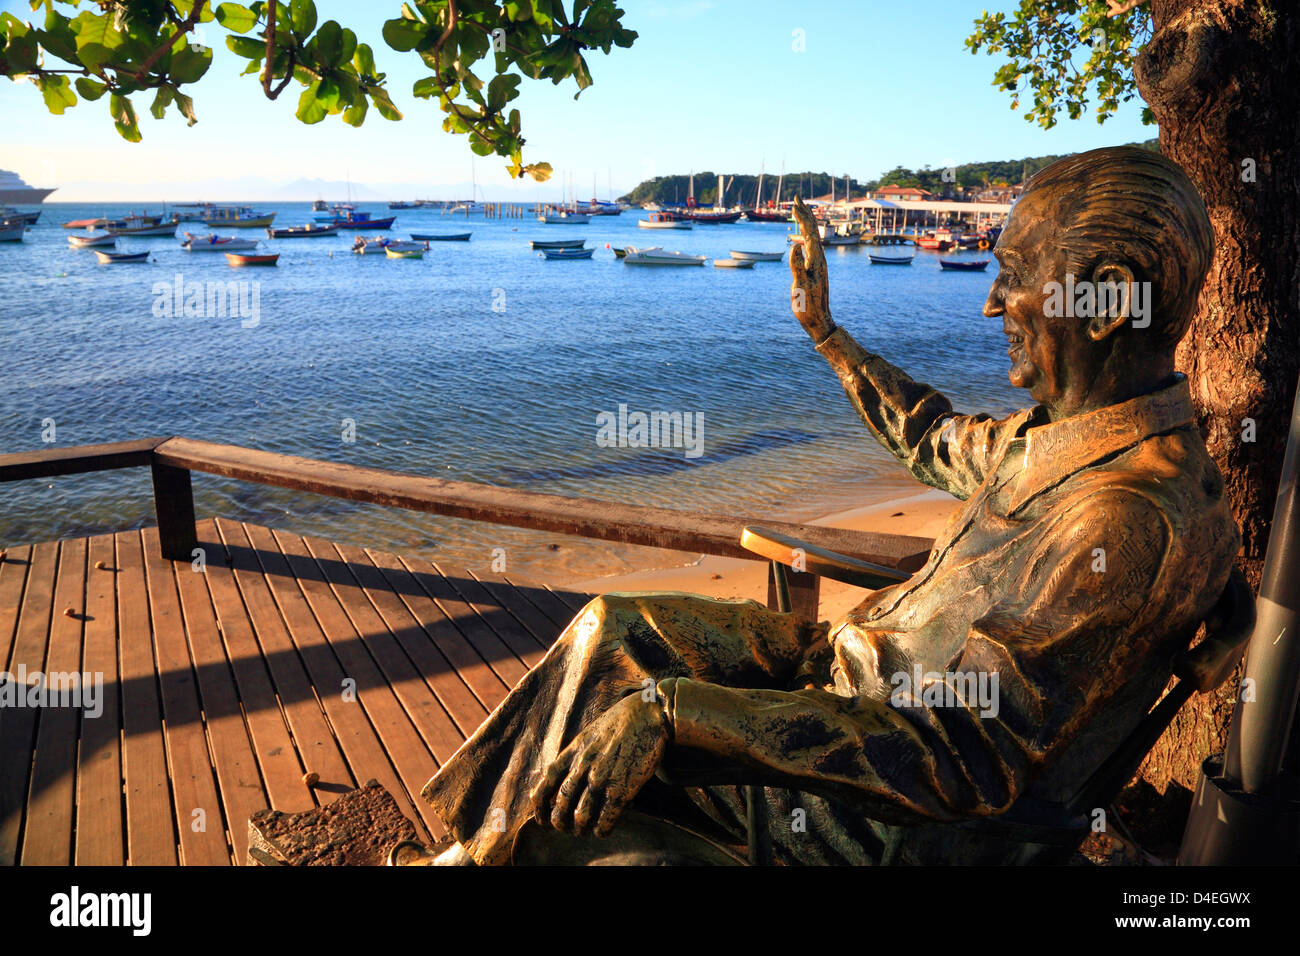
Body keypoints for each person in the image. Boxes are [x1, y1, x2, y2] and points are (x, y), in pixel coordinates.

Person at [415, 145, 1240, 865]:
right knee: (613, 627)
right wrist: (828, 334)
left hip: (871, 812)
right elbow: (934, 436)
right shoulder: (1075, 443)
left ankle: (490, 852)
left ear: (1105, 298)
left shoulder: (1126, 518)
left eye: (1015, 275)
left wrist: (678, 714)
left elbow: (957, 757)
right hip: (844, 669)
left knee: (606, 747)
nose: (992, 304)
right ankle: (469, 851)